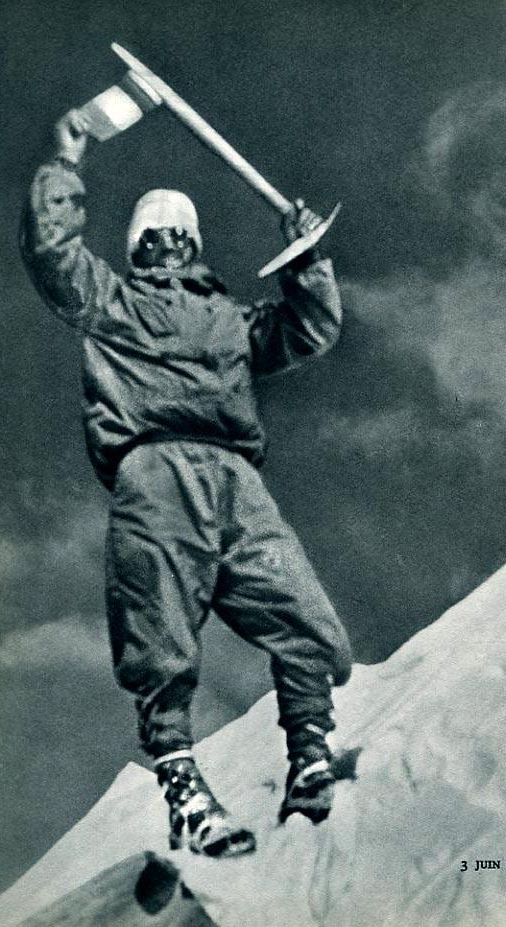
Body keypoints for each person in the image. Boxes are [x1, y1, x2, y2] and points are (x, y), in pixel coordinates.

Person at [20, 109, 353, 858]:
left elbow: (310, 330)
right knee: (160, 637)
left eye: (179, 234)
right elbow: (53, 253)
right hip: (155, 471)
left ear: (195, 244)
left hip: (235, 478)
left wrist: (306, 257)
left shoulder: (231, 320)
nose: (167, 244)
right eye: (154, 236)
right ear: (138, 247)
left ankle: (310, 751)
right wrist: (64, 164)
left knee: (306, 620)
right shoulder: (113, 304)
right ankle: (183, 792)